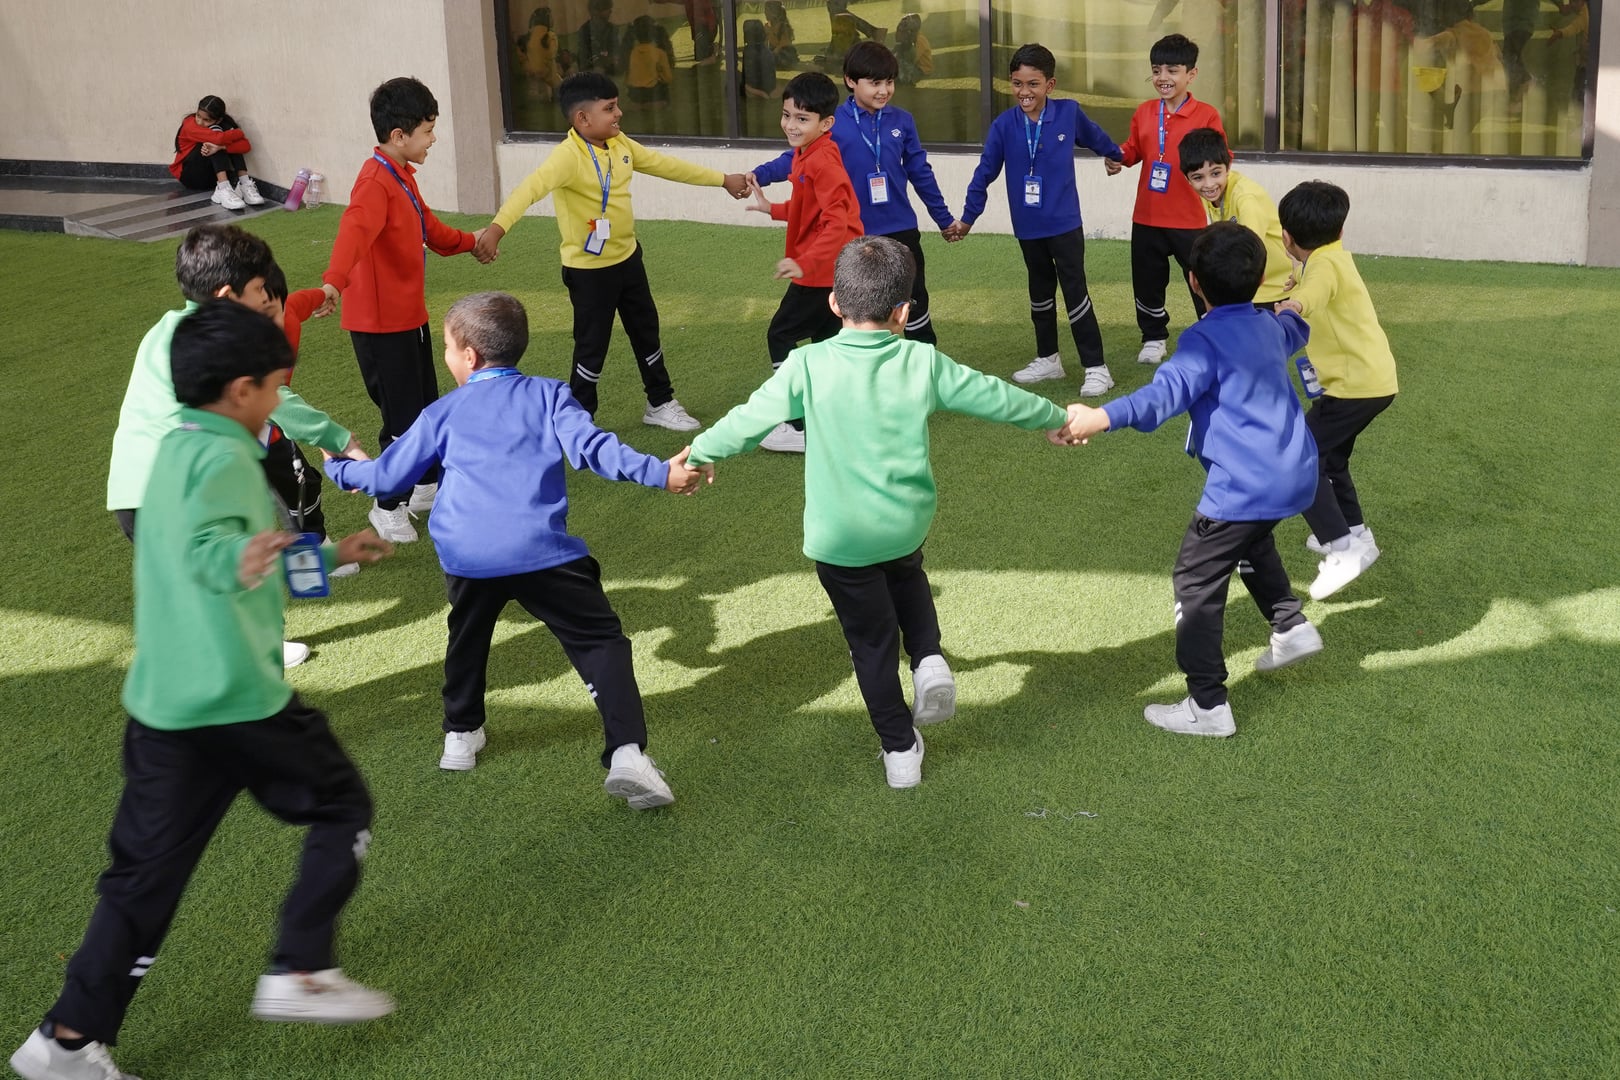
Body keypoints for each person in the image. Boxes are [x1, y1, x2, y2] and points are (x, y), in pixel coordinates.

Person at [9, 302, 395, 1080]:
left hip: (165, 708)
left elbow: (227, 548)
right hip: (238, 703)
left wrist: (331, 556)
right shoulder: (226, 462)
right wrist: (242, 561)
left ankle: (65, 1040)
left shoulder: (173, 450)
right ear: (241, 390)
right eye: (275, 387)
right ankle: (301, 967)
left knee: (143, 880)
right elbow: (217, 551)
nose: (278, 400)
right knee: (342, 807)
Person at [687, 237, 1075, 788]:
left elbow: (746, 421)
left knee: (870, 645)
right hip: (905, 522)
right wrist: (1056, 418)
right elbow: (994, 395)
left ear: (833, 303)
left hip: (840, 538)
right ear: (904, 312)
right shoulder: (921, 360)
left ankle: (899, 751)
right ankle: (929, 658)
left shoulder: (807, 363)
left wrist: (698, 453)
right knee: (907, 572)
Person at [324, 292, 704, 806]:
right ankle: (626, 753)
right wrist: (660, 473)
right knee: (600, 642)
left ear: (469, 356)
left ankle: (460, 735)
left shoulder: (442, 412)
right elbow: (594, 450)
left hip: (468, 556)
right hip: (541, 550)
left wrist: (339, 467)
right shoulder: (551, 395)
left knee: (467, 636)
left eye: (447, 348)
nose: (446, 356)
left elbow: (387, 477)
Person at [1061, 222, 1322, 738]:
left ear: (1193, 281)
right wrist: (1291, 307)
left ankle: (1208, 704)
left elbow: (1162, 396)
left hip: (1245, 486)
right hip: (1295, 474)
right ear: (1260, 280)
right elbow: (1295, 329)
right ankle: (1290, 624)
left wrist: (1100, 417)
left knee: (1195, 580)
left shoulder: (1203, 339)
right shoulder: (1269, 325)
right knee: (1250, 540)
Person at [107, 224, 365, 669]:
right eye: (260, 290)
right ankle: (253, 653)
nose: (266, 300)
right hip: (187, 491)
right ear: (227, 296)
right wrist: (338, 439)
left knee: (208, 584)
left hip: (136, 491)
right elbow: (275, 398)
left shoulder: (168, 329)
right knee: (242, 566)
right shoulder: (219, 339)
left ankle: (232, 652)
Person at [476, 73, 748, 431]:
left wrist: (722, 180)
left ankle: (660, 401)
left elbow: (666, 165)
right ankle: (579, 419)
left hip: (628, 259)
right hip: (589, 272)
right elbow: (528, 190)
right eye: (609, 108)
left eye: (617, 105)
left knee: (646, 331)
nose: (618, 113)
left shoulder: (620, 144)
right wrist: (497, 230)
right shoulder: (567, 158)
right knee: (592, 345)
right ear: (582, 119)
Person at [317, 76, 484, 546]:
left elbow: (430, 229)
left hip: (409, 317)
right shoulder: (375, 182)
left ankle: (425, 486)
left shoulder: (401, 174)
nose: (434, 139)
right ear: (399, 135)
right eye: (428, 131)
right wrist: (333, 281)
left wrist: (472, 242)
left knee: (425, 407)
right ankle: (386, 505)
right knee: (402, 420)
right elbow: (353, 233)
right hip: (380, 326)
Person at [749, 42, 957, 351]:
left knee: (913, 301)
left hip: (901, 229)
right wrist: (757, 175)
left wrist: (944, 219)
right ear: (850, 80)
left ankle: (926, 363)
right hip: (856, 238)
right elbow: (792, 159)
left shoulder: (902, 121)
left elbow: (920, 172)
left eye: (889, 82)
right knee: (861, 310)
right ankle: (861, 364)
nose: (884, 90)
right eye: (875, 82)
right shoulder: (832, 122)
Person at [951, 43, 1123, 397]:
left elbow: (1097, 137)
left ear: (1050, 85)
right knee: (1040, 294)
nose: (1024, 92)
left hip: (1065, 225)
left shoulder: (1068, 113)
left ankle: (1096, 367)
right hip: (1028, 228)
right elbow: (984, 173)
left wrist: (1114, 155)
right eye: (1017, 84)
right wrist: (968, 218)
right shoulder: (1003, 125)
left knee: (1075, 293)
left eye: (1033, 84)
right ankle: (1048, 359)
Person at [1274, 180, 1398, 601]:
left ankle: (1343, 549)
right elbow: (1315, 284)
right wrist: (1297, 289)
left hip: (1352, 389)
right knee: (1331, 458)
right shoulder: (1334, 255)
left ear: (1286, 238)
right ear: (1340, 230)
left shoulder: (1323, 267)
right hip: (1372, 382)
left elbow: (1314, 291)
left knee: (1298, 458)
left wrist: (1294, 305)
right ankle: (1357, 533)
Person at [741, 72, 864, 454]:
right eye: (787, 115)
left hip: (822, 272)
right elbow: (809, 207)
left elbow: (836, 222)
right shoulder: (808, 152)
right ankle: (832, 419)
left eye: (802, 118)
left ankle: (796, 425)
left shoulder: (822, 161)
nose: (791, 125)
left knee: (780, 334)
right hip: (834, 270)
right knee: (826, 344)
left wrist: (804, 262)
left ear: (826, 124)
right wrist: (773, 208)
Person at [1104, 34, 1226, 365]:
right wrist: (1118, 157)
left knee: (1203, 280)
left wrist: (1217, 191)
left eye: (1172, 70)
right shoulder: (1145, 112)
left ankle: (1212, 335)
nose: (1163, 78)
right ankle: (1153, 337)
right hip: (1147, 215)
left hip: (1190, 218)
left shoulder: (1207, 115)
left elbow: (1221, 159)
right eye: (1157, 70)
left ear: (1191, 74)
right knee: (1147, 281)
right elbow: (1134, 149)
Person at [261, 263, 363, 578]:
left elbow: (301, 302)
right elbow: (269, 396)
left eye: (271, 311)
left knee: (301, 484)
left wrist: (327, 292)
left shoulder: (288, 311)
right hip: (226, 439)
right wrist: (334, 439)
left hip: (268, 428)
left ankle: (313, 548)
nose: (265, 325)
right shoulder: (228, 348)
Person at [1177, 127, 1290, 309]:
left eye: (1215, 173)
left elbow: (1249, 254)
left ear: (1228, 166)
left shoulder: (1246, 198)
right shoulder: (1214, 193)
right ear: (1187, 179)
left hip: (1274, 289)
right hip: (1247, 286)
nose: (1209, 184)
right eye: (1198, 177)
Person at [168, 94, 265, 210]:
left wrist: (223, 147)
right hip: (189, 175)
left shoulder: (224, 125)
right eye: (198, 116)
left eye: (206, 120)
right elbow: (218, 139)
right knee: (213, 142)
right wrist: (239, 133)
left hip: (212, 177)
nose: (200, 122)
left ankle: (244, 184)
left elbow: (246, 146)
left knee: (225, 143)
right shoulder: (189, 124)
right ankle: (223, 188)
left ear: (218, 120)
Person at [625, 15, 674, 107]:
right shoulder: (659, 53)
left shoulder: (631, 53)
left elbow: (627, 77)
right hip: (652, 92)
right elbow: (668, 78)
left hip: (634, 94)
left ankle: (638, 104)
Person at [741, 19, 777, 98]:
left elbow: (746, 79)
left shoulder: (748, 51)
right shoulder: (768, 52)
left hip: (753, 89)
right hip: (769, 89)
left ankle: (759, 93)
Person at [893, 13, 933, 84]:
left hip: (921, 69)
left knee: (899, 69)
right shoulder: (911, 38)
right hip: (913, 65)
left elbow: (912, 59)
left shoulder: (920, 40)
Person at [764, 1, 799, 67]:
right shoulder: (766, 26)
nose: (765, 13)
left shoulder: (783, 26)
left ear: (774, 12)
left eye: (767, 10)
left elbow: (784, 42)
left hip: (784, 52)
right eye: (765, 10)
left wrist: (774, 52)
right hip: (773, 50)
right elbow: (765, 41)